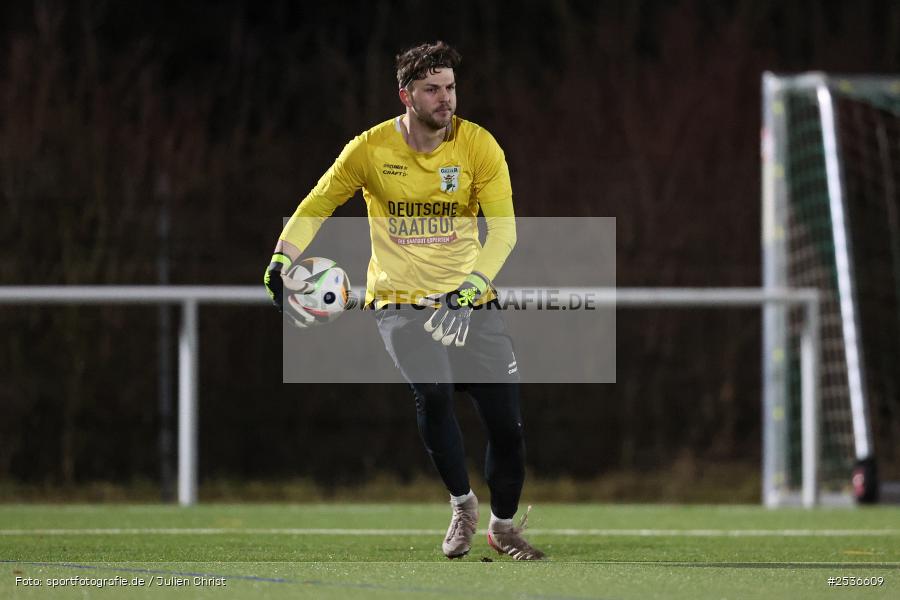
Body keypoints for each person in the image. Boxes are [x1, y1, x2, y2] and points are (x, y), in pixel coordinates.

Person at [264, 41, 544, 561]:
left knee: (507, 424)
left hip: (470, 299)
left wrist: (471, 288)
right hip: (399, 301)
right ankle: (462, 506)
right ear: (406, 96)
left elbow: (504, 232)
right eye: (433, 89)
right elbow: (318, 202)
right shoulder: (369, 150)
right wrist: (283, 258)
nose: (446, 99)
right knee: (434, 394)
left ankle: (503, 527)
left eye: (451, 87)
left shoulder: (480, 147)